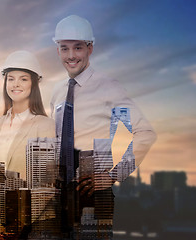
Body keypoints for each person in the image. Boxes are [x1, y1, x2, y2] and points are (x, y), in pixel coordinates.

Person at [50, 15, 157, 238]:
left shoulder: (108, 87)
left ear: (90, 48)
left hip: (93, 191)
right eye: (64, 48)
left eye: (77, 48)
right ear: (57, 50)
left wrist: (114, 174)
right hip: (61, 193)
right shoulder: (57, 93)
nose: (71, 55)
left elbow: (144, 132)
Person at [0, 50, 55, 180]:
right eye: (11, 79)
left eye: (23, 79)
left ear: (33, 84)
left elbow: (47, 175)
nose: (16, 84)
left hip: (29, 199)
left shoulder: (45, 125)